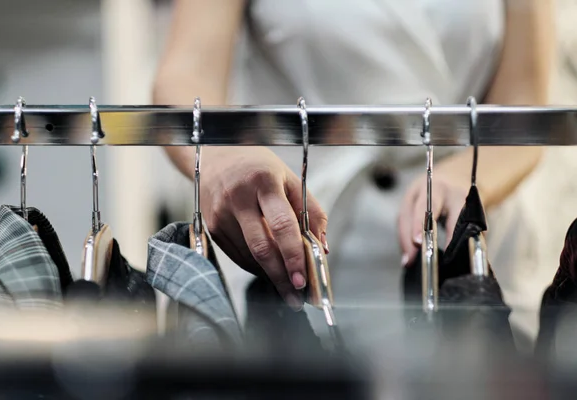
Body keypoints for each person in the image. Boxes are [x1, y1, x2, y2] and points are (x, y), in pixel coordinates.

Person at [153, 0, 554, 343]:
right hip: (300, 239)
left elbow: (524, 102)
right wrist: (222, 159)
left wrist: (464, 180)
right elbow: (186, 73)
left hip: (463, 253)